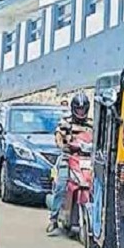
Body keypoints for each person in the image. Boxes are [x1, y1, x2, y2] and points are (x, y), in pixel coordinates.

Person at [47, 92, 92, 236]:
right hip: (68, 157)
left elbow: (97, 139)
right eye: (78, 109)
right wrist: (61, 145)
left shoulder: (91, 124)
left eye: (83, 109)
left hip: (87, 159)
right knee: (61, 185)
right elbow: (58, 136)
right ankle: (53, 219)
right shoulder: (66, 122)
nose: (81, 112)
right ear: (73, 109)